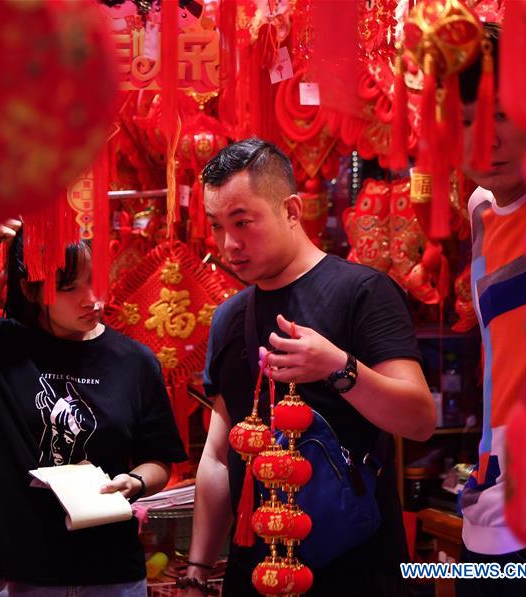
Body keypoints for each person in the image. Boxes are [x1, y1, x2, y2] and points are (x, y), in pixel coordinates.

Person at [182, 139, 435, 596]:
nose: (228, 244)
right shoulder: (229, 318)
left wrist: (337, 366)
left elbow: (419, 419)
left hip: (355, 570)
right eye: (217, 225)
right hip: (255, 572)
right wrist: (198, 568)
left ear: (292, 211)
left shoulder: (363, 292)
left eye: (243, 222)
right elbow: (218, 457)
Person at [0, 220, 187, 596]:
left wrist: (134, 482)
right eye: (70, 287)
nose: (92, 298)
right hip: (14, 574)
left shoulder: (134, 361)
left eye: (95, 280)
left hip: (111, 573)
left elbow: (158, 460)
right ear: (31, 289)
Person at [456, 23, 526, 597]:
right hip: (490, 509)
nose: (485, 140)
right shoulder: (480, 209)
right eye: (465, 121)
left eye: (501, 115)